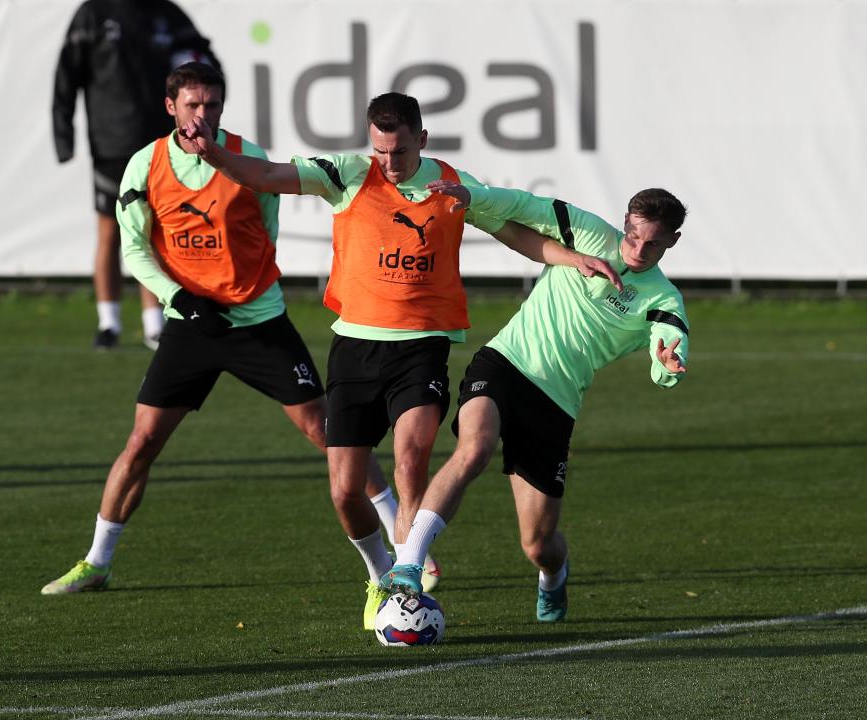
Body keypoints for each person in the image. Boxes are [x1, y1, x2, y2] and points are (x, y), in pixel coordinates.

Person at [41, 63, 400, 599]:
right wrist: (178, 297)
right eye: (192, 105)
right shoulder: (145, 165)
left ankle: (406, 544)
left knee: (329, 432)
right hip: (190, 326)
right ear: (171, 108)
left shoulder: (248, 160)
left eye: (211, 105)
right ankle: (96, 562)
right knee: (141, 442)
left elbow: (267, 230)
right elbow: (134, 247)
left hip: (258, 322)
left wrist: (246, 289)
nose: (201, 115)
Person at [177, 92, 508, 629]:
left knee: (410, 461)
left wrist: (573, 257)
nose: (388, 163)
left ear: (421, 141)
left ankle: (407, 580)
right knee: (344, 491)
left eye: (398, 152)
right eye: (379, 151)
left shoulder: (451, 185)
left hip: (422, 345)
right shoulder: (348, 174)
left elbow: (515, 221)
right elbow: (263, 174)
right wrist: (213, 155)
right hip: (354, 347)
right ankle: (380, 574)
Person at [381, 181, 690, 624]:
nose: (640, 249)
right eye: (634, 235)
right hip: (504, 363)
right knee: (474, 449)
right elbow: (524, 206)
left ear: (672, 242)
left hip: (556, 403)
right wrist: (469, 196)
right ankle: (409, 564)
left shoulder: (663, 299)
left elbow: (669, 348)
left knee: (538, 545)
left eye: (654, 244)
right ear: (625, 221)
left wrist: (666, 363)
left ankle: (554, 577)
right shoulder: (585, 233)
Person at [52, 0, 221, 350]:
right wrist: (63, 135)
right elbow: (67, 75)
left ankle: (154, 324)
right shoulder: (93, 13)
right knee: (110, 231)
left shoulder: (166, 14)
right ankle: (108, 322)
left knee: (156, 230)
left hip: (162, 143)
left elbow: (206, 64)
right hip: (110, 142)